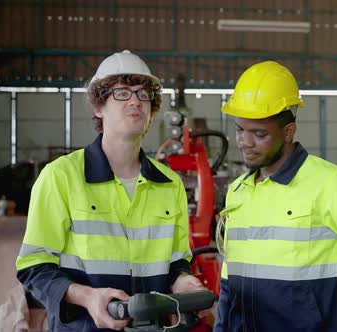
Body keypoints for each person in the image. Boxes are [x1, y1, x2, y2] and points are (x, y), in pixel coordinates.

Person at [16, 50, 205, 331]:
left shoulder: (169, 184)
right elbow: (34, 267)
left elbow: (177, 260)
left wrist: (183, 281)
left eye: (143, 94)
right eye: (122, 92)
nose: (135, 101)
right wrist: (88, 297)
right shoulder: (61, 177)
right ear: (98, 107)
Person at [213, 61, 337, 332]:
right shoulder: (239, 191)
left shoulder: (336, 185)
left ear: (289, 131)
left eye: (259, 133)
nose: (245, 142)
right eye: (240, 130)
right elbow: (229, 282)